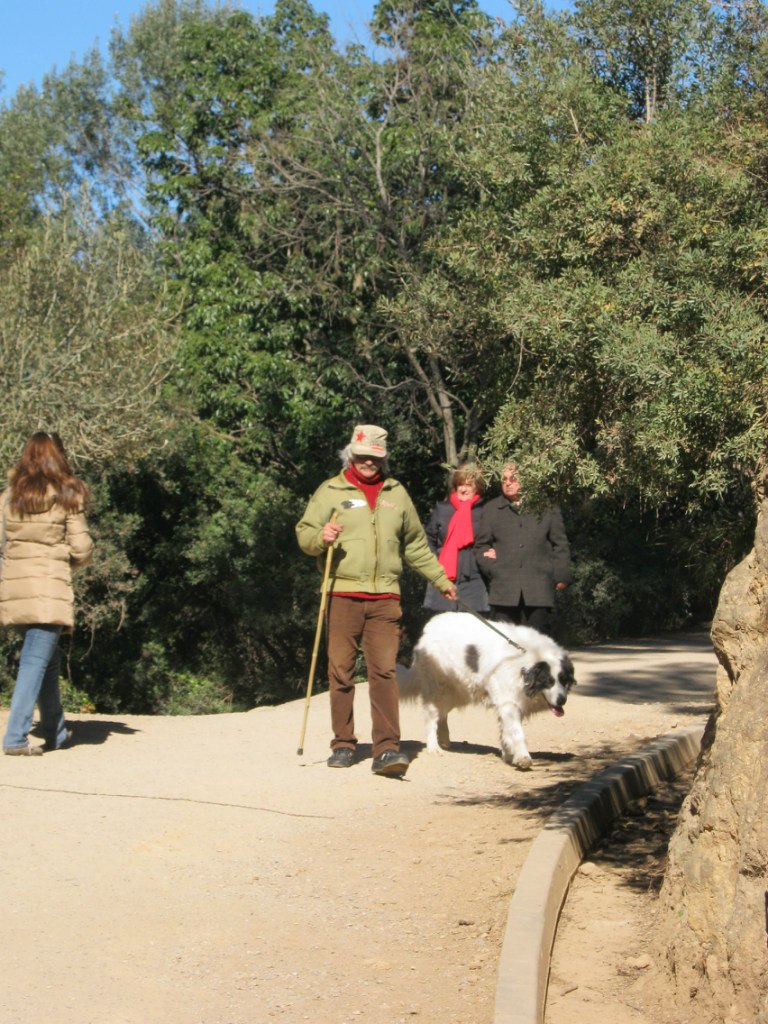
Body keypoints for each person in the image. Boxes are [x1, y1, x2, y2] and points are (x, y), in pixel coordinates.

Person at [296, 424, 457, 777]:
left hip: (385, 595)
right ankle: (343, 743)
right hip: (341, 592)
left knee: (384, 672)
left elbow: (415, 544)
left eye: (376, 457)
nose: (369, 462)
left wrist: (441, 579)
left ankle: (387, 749)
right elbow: (305, 533)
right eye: (363, 456)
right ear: (351, 453)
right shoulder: (330, 491)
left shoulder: (396, 493)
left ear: (383, 458)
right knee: (340, 671)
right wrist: (321, 537)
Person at [1, 432, 94, 756]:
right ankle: (15, 738)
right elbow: (81, 548)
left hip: (15, 588)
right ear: (60, 456)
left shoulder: (9, 494)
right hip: (49, 586)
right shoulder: (68, 493)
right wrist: (67, 560)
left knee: (47, 663)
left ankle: (56, 732)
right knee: (33, 662)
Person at [474, 462, 571, 637]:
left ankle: (537, 666)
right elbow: (481, 546)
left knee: (537, 643)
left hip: (539, 588)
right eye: (504, 480)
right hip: (503, 588)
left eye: (513, 479)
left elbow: (560, 544)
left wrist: (561, 576)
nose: (508, 483)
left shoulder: (547, 507)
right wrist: (492, 567)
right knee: (505, 643)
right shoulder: (491, 509)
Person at [423, 462, 489, 616]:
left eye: (468, 484)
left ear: (477, 486)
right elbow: (428, 539)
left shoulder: (485, 511)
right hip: (444, 579)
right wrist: (435, 561)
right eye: (460, 484)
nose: (463, 489)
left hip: (475, 580)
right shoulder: (442, 509)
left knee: (473, 631)